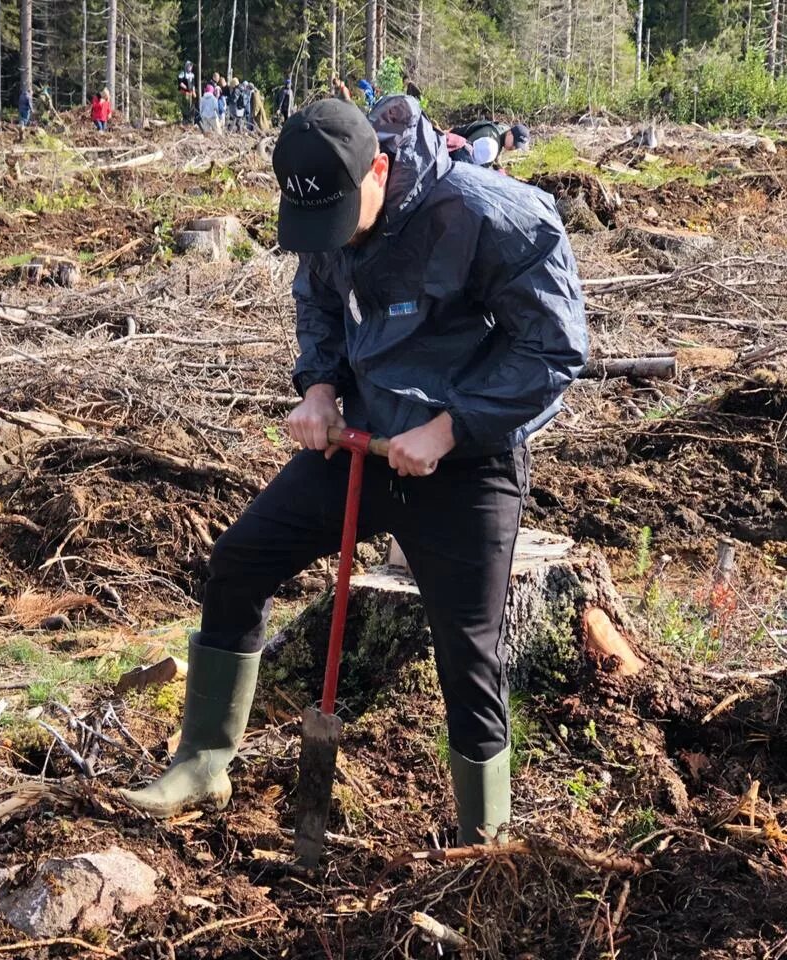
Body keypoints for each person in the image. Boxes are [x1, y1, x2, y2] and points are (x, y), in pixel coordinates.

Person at [119, 96, 587, 848]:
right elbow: (320, 305)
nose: (329, 238)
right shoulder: (327, 209)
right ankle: (205, 760)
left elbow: (553, 351)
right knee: (239, 562)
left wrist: (450, 427)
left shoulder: (492, 214)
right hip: (359, 446)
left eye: (342, 215)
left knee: (468, 653)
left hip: (466, 463)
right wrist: (318, 389)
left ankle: (484, 841)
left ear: (380, 167)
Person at [448, 119, 531, 168]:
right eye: (514, 143)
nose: (514, 147)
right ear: (510, 133)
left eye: (516, 147)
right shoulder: (490, 142)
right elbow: (463, 161)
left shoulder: (500, 132)